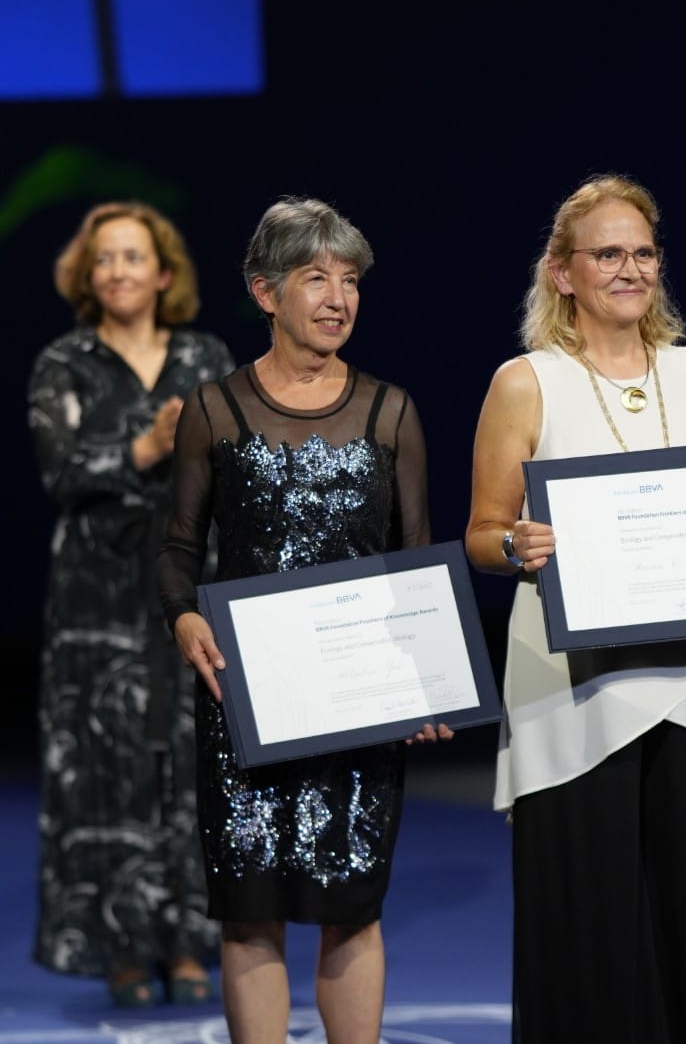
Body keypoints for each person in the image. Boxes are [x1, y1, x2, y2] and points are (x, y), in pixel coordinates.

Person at [466, 174, 686, 1043]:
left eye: (643, 252)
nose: (630, 269)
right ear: (562, 271)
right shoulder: (524, 382)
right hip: (577, 692)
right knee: (593, 928)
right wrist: (517, 547)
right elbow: (481, 533)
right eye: (607, 253)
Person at [156, 196, 447, 1043]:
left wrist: (431, 676)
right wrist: (182, 617)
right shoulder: (215, 408)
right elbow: (178, 546)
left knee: (351, 904)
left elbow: (416, 561)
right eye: (315, 277)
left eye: (350, 280)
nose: (337, 298)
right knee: (250, 910)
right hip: (247, 697)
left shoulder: (392, 410)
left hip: (359, 705)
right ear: (264, 291)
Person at [27, 201, 235, 1007]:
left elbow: (235, 462)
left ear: (164, 272)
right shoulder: (63, 362)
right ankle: (120, 944)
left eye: (132, 256)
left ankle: (188, 941)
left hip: (190, 581)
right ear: (88, 275)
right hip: (96, 598)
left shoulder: (206, 355)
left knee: (191, 757)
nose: (118, 270)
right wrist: (145, 448)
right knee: (107, 765)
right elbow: (61, 471)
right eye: (103, 258)